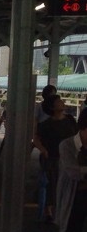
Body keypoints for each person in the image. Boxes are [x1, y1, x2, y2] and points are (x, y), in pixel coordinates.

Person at [55, 109, 87, 232]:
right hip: (74, 197)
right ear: (82, 128)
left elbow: (77, 172)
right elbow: (71, 171)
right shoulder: (67, 145)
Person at [32, 95, 77, 223]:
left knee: (64, 184)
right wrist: (43, 150)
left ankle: (61, 210)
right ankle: (49, 211)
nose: (61, 103)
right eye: (58, 102)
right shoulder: (46, 124)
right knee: (51, 184)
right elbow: (36, 138)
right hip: (51, 157)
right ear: (52, 107)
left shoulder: (70, 120)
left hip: (67, 158)